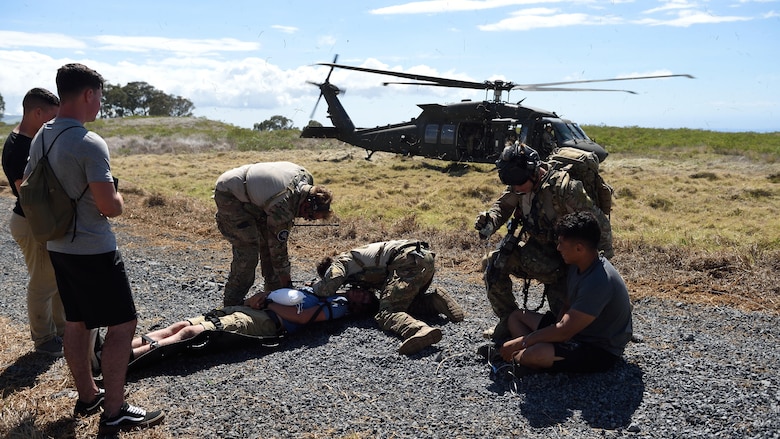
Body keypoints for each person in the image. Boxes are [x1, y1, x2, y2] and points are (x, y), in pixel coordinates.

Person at [23, 64, 163, 434]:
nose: (101, 103)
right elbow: (109, 206)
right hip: (93, 249)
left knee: (77, 320)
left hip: (59, 245)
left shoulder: (42, 135)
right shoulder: (89, 142)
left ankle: (88, 395)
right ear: (88, 94)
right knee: (122, 324)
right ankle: (114, 411)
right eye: (100, 96)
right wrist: (118, 197)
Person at [474, 143, 613, 340]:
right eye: (511, 184)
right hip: (541, 254)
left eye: (518, 183)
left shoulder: (565, 190)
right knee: (494, 263)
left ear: (534, 172)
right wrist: (490, 221)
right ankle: (508, 322)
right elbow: (503, 207)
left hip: (569, 265)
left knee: (569, 331)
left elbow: (602, 227)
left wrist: (601, 272)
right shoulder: (519, 184)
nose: (515, 188)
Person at [498, 211, 633, 373]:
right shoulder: (577, 265)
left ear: (579, 248)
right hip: (573, 332)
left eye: (562, 243)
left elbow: (564, 330)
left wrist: (522, 342)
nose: (558, 248)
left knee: (536, 353)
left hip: (598, 348)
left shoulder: (599, 281)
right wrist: (553, 335)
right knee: (516, 317)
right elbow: (568, 305)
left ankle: (515, 358)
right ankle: (525, 357)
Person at [126, 286, 378, 359]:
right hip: (255, 309)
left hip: (267, 321)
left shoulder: (337, 308)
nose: (360, 293)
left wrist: (267, 303)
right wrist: (260, 298)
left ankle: (125, 361)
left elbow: (302, 317)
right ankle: (116, 352)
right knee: (180, 325)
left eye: (365, 297)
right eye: (363, 291)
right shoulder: (329, 288)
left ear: (359, 308)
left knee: (193, 331)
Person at [310, 240, 464, 355]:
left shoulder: (341, 262)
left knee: (387, 312)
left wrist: (314, 287)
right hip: (423, 258)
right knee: (405, 304)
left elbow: (327, 287)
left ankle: (419, 330)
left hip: (406, 262)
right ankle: (434, 301)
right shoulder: (357, 262)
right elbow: (371, 296)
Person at [214, 162, 333, 306]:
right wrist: (287, 285)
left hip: (249, 190)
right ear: (307, 204)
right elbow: (278, 250)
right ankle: (231, 304)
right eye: (310, 216)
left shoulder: (306, 177)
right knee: (248, 251)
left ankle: (274, 299)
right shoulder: (283, 206)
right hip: (230, 194)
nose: (306, 219)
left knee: (267, 243)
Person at [2, 88, 65, 356]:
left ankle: (60, 330)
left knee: (53, 279)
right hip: (33, 223)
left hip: (33, 222)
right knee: (43, 281)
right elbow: (27, 193)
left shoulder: (30, 139)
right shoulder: (19, 147)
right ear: (37, 112)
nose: (54, 123)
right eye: (51, 117)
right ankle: (44, 338)